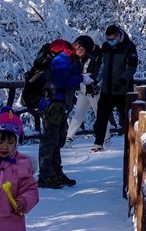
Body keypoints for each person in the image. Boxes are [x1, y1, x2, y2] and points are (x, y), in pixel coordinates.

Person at [36, 39, 81, 189]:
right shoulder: (63, 57)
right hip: (53, 104)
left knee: (57, 138)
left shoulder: (68, 57)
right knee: (50, 139)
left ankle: (55, 172)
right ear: (79, 47)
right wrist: (81, 78)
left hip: (59, 105)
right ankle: (46, 174)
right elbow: (61, 81)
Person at [90, 25, 137, 152]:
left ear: (118, 36)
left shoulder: (129, 47)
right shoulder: (105, 47)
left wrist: (122, 81)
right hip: (106, 90)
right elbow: (102, 67)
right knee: (101, 117)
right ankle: (98, 143)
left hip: (123, 91)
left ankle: (132, 144)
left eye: (112, 38)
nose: (109, 41)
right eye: (107, 39)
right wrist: (96, 81)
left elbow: (132, 68)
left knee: (127, 119)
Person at [65, 36, 100, 143]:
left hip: (93, 91)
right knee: (78, 115)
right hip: (83, 90)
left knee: (99, 114)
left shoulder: (96, 57)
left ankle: (105, 138)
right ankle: (69, 138)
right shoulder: (80, 58)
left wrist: (96, 83)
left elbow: (99, 72)